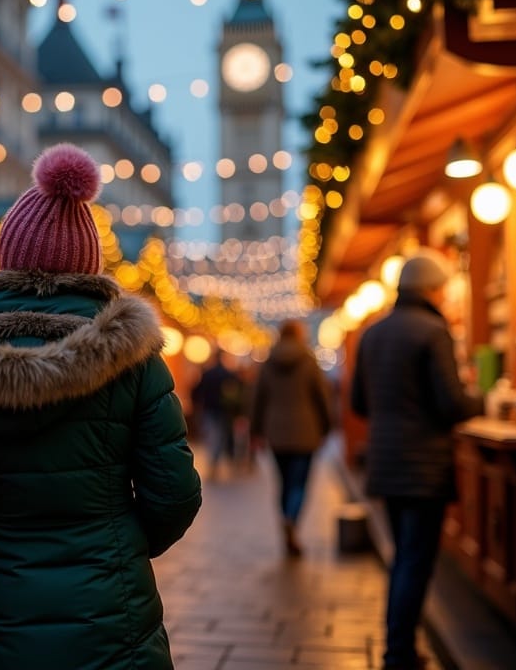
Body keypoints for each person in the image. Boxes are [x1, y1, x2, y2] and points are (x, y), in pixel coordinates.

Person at [0, 142, 202, 670]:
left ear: (7, 255)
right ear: (88, 262)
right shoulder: (133, 357)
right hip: (112, 608)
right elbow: (175, 491)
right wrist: (123, 543)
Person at [351, 248, 482, 670]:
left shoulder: (372, 333)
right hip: (424, 464)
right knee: (415, 559)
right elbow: (450, 403)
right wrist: (479, 399)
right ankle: (399, 652)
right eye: (442, 288)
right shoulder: (432, 330)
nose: (445, 296)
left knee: (403, 555)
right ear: (429, 288)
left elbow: (358, 401)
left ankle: (400, 646)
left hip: (386, 464)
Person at [251, 319, 332, 556]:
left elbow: (258, 398)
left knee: (284, 482)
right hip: (306, 431)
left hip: (275, 432)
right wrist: (327, 426)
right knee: (299, 482)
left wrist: (255, 431)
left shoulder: (268, 361)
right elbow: (322, 396)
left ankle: (286, 518)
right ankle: (292, 519)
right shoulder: (308, 361)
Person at [190, 347, 242, 480]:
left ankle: (214, 461)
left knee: (212, 435)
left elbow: (196, 390)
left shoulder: (207, 373)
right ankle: (216, 460)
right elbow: (235, 394)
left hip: (208, 409)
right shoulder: (227, 374)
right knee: (221, 436)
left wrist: (196, 404)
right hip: (223, 410)